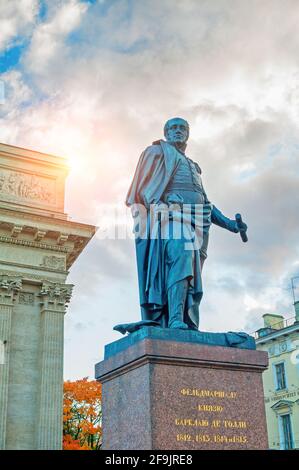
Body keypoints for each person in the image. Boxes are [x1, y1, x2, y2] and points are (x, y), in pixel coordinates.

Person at [126, 117, 247, 330]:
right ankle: (175, 319)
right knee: (182, 254)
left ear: (188, 133)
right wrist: (159, 205)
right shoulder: (156, 153)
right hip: (170, 217)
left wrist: (230, 224)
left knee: (190, 271)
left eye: (182, 128)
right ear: (165, 133)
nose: (178, 131)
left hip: (197, 223)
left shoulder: (192, 166)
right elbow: (143, 188)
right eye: (173, 128)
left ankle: (181, 317)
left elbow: (205, 202)